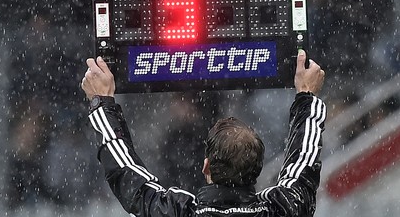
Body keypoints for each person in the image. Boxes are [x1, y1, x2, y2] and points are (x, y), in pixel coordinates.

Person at [81, 50, 326, 216]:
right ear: (258, 168)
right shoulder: (284, 208)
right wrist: (307, 97)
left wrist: (101, 102)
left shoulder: (178, 213)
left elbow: (126, 173)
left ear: (205, 166)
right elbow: (304, 161)